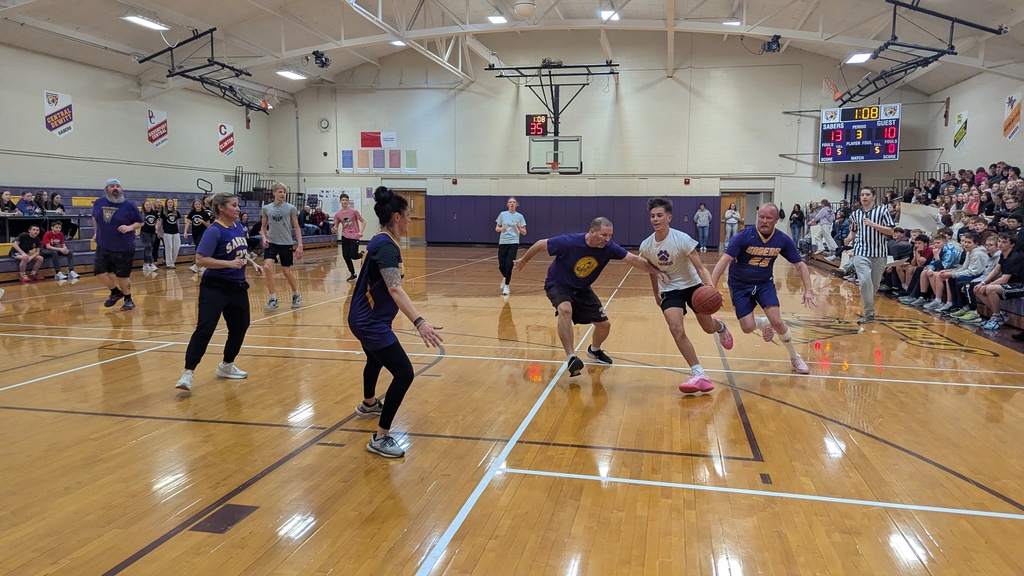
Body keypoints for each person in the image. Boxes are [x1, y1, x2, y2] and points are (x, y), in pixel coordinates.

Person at [349, 186, 443, 458]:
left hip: (365, 317)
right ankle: (381, 437)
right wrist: (419, 321)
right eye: (407, 215)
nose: (410, 220)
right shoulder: (386, 246)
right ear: (396, 217)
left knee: (375, 359)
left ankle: (368, 404)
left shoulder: (381, 239)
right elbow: (394, 288)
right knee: (404, 373)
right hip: (369, 321)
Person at [514, 216, 669, 377]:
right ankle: (571, 357)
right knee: (565, 309)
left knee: (604, 326)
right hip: (558, 283)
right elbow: (540, 244)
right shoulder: (569, 242)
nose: (607, 239)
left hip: (582, 289)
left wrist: (656, 272)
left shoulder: (609, 248)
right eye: (604, 235)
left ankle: (594, 351)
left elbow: (634, 259)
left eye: (610, 235)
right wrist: (523, 260)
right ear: (592, 231)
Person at [640, 198, 734, 394]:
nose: (655, 219)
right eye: (652, 216)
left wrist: (711, 287)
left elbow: (700, 268)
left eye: (659, 215)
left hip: (693, 287)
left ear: (669, 217)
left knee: (708, 328)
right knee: (676, 328)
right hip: (669, 290)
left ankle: (720, 327)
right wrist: (656, 293)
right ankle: (698, 372)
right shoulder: (646, 245)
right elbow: (651, 269)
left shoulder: (681, 239)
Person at [710, 203, 815, 374]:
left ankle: (795, 357)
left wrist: (808, 289)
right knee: (747, 327)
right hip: (739, 285)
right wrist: (712, 287)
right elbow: (724, 261)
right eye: (761, 217)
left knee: (778, 322)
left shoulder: (782, 239)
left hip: (764, 284)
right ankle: (763, 323)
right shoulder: (743, 237)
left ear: (776, 220)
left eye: (769, 218)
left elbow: (800, 265)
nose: (764, 221)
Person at [175, 193, 263, 393]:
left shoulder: (237, 227)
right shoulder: (214, 231)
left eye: (238, 205)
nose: (238, 209)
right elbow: (200, 259)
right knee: (205, 328)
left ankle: (226, 365)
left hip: (237, 287)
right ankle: (188, 372)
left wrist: (252, 263)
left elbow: (240, 252)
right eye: (234, 205)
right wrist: (228, 264)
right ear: (221, 208)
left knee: (240, 327)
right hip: (215, 287)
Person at [844, 187, 895, 324]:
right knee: (865, 280)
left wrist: (873, 225)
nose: (864, 197)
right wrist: (849, 238)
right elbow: (854, 231)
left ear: (873, 197)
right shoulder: (855, 214)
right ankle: (869, 312)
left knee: (874, 283)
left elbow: (891, 231)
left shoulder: (882, 211)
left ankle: (868, 304)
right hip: (860, 250)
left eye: (867, 195)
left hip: (879, 252)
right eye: (862, 195)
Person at [92, 179, 143, 311]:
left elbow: (140, 222)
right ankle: (115, 292)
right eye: (112, 186)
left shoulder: (129, 205)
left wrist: (130, 227)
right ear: (106, 189)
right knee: (99, 271)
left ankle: (128, 300)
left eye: (118, 186)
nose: (115, 188)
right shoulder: (98, 203)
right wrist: (96, 232)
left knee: (122, 275)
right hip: (103, 244)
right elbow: (95, 217)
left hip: (123, 246)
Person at [260, 182, 304, 311]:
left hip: (286, 242)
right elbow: (262, 228)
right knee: (267, 267)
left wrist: (300, 244)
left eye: (284, 192)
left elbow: (296, 227)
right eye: (280, 192)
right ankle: (273, 298)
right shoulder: (266, 208)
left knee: (286, 271)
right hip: (271, 242)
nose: (282, 194)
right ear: (274, 193)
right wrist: (264, 238)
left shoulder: (291, 208)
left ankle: (296, 294)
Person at [974, 234, 1024, 331]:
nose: (1000, 244)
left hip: (1020, 285)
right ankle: (999, 314)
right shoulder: (1003, 254)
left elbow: (1004, 279)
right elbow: (996, 271)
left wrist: (987, 285)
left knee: (990, 289)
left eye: (1004, 242)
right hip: (1010, 284)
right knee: (978, 290)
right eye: (999, 241)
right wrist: (982, 283)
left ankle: (996, 317)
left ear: (1012, 245)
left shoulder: (1015, 257)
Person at [495, 196, 527, 295]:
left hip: (514, 242)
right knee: (501, 266)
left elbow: (524, 232)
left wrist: (519, 227)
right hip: (503, 242)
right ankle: (505, 278)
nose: (512, 203)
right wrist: (500, 229)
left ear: (516, 204)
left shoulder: (520, 216)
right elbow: (497, 228)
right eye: (510, 202)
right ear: (508, 204)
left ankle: (507, 287)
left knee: (509, 265)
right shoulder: (502, 214)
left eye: (514, 202)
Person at [332, 193, 366, 281]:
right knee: (346, 255)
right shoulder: (338, 214)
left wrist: (361, 231)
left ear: (348, 201)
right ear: (340, 201)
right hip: (345, 236)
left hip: (354, 236)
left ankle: (363, 254)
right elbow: (336, 225)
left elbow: (363, 221)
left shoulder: (354, 211)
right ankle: (353, 273)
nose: (345, 202)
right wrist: (334, 228)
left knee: (353, 255)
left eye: (346, 200)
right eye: (343, 200)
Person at [184, 198, 212, 273]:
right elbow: (188, 223)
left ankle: (197, 265)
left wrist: (203, 222)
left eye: (199, 204)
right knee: (198, 248)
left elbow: (209, 225)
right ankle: (203, 265)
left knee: (198, 248)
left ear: (201, 205)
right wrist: (185, 231)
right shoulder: (192, 213)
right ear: (194, 205)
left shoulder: (204, 214)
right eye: (196, 204)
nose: (198, 205)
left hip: (203, 233)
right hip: (194, 233)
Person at [139, 200, 161, 272]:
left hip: (152, 232)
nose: (148, 206)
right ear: (144, 206)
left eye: (149, 204)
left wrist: (156, 226)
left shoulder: (154, 212)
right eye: (146, 205)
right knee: (148, 247)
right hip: (144, 233)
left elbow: (158, 220)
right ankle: (152, 263)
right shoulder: (142, 213)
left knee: (149, 248)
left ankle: (145, 264)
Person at [160, 198, 182, 268]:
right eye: (169, 202)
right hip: (167, 232)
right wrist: (159, 232)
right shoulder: (163, 213)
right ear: (166, 203)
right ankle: (169, 263)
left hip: (175, 232)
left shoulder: (176, 212)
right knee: (168, 247)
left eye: (171, 202)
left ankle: (173, 261)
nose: (170, 203)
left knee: (177, 246)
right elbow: (160, 223)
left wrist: (178, 229)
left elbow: (177, 222)